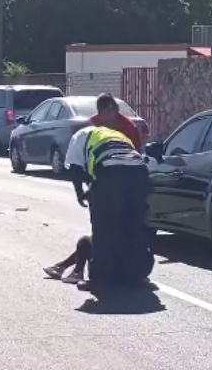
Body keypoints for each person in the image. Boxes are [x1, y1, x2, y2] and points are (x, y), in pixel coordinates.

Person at [44, 94, 154, 291]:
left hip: (111, 173)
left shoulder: (81, 136)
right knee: (134, 225)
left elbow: (76, 168)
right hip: (139, 174)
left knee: (102, 229)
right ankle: (138, 271)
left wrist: (81, 194)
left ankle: (98, 278)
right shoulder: (119, 135)